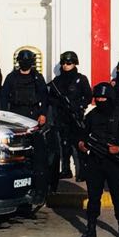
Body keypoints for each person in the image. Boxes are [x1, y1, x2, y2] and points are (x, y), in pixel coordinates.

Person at [77, 82, 119, 237]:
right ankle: (91, 228)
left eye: (103, 97)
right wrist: (81, 144)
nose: (101, 100)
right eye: (98, 98)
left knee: (118, 197)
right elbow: (81, 134)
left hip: (114, 162)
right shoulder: (92, 116)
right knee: (94, 197)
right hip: (95, 160)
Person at [0, 49, 49, 204]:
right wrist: (3, 117)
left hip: (33, 117)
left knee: (37, 156)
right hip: (15, 116)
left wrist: (42, 114)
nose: (25, 63)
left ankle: (39, 190)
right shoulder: (11, 77)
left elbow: (44, 97)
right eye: (22, 60)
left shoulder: (37, 78)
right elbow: (3, 98)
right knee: (16, 154)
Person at [48, 50, 91, 181]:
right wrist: (59, 103)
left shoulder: (81, 79)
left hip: (76, 116)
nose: (66, 65)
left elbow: (88, 96)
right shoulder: (57, 81)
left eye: (69, 63)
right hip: (62, 117)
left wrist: (80, 105)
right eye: (64, 63)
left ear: (74, 64)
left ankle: (82, 172)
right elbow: (49, 97)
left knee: (78, 145)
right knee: (64, 144)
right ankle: (66, 170)